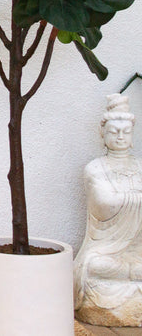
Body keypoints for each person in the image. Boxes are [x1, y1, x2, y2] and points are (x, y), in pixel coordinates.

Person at [75, 94, 142, 326]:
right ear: (103, 134)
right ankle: (133, 274)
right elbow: (104, 204)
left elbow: (114, 200)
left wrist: (122, 197)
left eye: (126, 131)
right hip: (105, 251)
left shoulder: (140, 166)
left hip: (137, 250)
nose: (121, 136)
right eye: (114, 131)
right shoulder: (95, 168)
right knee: (94, 266)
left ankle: (133, 273)